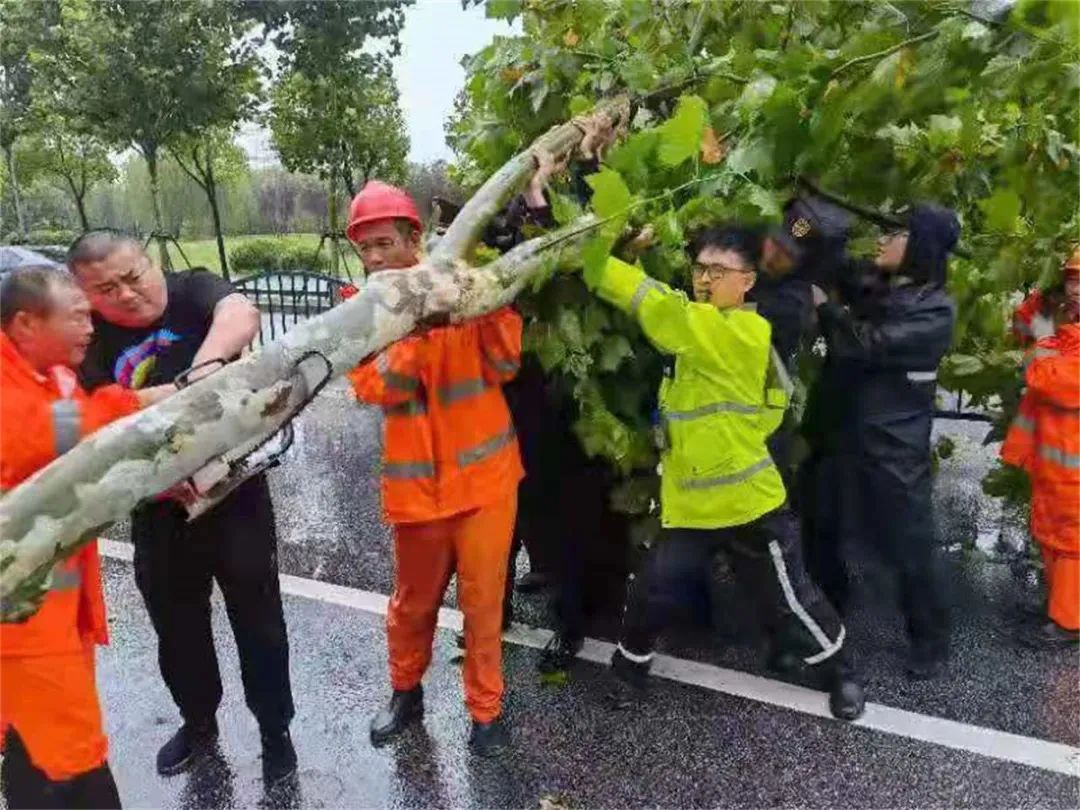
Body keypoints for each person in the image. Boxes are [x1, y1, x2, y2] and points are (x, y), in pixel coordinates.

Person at [582, 226, 865, 721]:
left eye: (718, 271)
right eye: (700, 269)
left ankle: (842, 673)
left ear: (748, 282)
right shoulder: (700, 335)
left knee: (791, 599)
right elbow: (772, 405)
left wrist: (594, 258)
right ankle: (628, 672)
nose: (705, 279)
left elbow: (660, 308)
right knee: (651, 590)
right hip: (691, 503)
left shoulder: (741, 332)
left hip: (748, 501)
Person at [68, 232, 297, 784]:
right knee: (176, 625)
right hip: (156, 505)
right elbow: (97, 429)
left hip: (235, 493)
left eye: (133, 275)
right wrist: (159, 483)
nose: (127, 293)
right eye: (106, 288)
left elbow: (241, 312)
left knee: (259, 616)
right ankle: (199, 723)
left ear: (151, 261)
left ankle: (275, 730)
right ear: (84, 295)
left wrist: (200, 372)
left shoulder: (191, 290)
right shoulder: (90, 343)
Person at [345, 181, 523, 757]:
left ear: (414, 239)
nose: (374, 258)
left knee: (483, 603)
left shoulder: (460, 288)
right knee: (412, 604)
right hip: (417, 494)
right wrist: (419, 330)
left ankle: (486, 711)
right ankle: (405, 692)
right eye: (365, 247)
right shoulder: (359, 311)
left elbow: (504, 363)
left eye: (383, 244)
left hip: (486, 484)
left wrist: (489, 300)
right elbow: (377, 387)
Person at [0, 265, 172, 809]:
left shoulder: (53, 376)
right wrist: (143, 405)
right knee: (71, 755)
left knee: (39, 746)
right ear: (26, 324)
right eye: (76, 315)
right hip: (21, 620)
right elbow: (44, 433)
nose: (91, 327)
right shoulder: (16, 394)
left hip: (56, 606)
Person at [806, 204, 959, 680]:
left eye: (897, 233)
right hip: (841, 432)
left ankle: (930, 640)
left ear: (922, 245)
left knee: (907, 544)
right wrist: (813, 218)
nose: (883, 240)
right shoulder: (884, 286)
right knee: (821, 521)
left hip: (893, 443)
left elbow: (866, 344)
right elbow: (834, 264)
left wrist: (826, 308)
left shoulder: (935, 308)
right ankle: (830, 615)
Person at [1001, 246, 1080, 649]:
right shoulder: (1065, 324)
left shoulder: (1064, 337)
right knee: (1052, 535)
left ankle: (1069, 623)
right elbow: (1019, 325)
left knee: (1072, 542)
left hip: (1072, 468)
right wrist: (1043, 298)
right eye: (1071, 279)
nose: (1077, 289)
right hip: (1055, 462)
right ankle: (1060, 607)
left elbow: (1051, 381)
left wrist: (1044, 337)